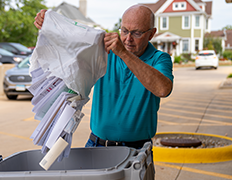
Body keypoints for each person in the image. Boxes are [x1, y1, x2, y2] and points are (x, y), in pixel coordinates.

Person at [34, 5, 173, 178]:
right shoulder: (104, 51)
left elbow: (163, 88)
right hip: (97, 145)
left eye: (136, 33)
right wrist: (51, 23)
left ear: (151, 34)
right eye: (124, 30)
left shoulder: (159, 59)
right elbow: (72, 42)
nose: (128, 38)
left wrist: (123, 53)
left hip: (136, 150)